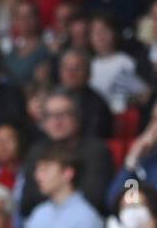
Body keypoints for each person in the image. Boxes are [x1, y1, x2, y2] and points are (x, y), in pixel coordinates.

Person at [19, 89, 113, 218]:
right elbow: (27, 203)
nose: (57, 121)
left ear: (77, 118)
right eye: (50, 116)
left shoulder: (96, 150)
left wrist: (52, 191)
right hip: (43, 221)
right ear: (44, 122)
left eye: (63, 114)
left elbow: (94, 199)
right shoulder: (37, 150)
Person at [20, 147, 104, 228]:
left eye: (45, 170)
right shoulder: (39, 213)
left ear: (67, 173)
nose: (38, 177)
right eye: (38, 170)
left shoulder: (87, 217)